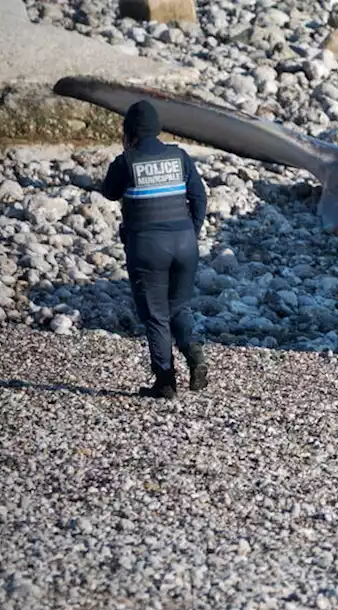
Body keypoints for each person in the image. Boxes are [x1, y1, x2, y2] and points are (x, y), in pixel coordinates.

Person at [99, 100, 209, 399]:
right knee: (178, 306)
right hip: (185, 244)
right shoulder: (179, 156)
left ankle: (165, 382)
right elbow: (199, 197)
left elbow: (109, 191)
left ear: (130, 131)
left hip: (148, 246)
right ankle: (194, 352)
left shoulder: (127, 161)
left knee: (156, 315)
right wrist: (192, 231)